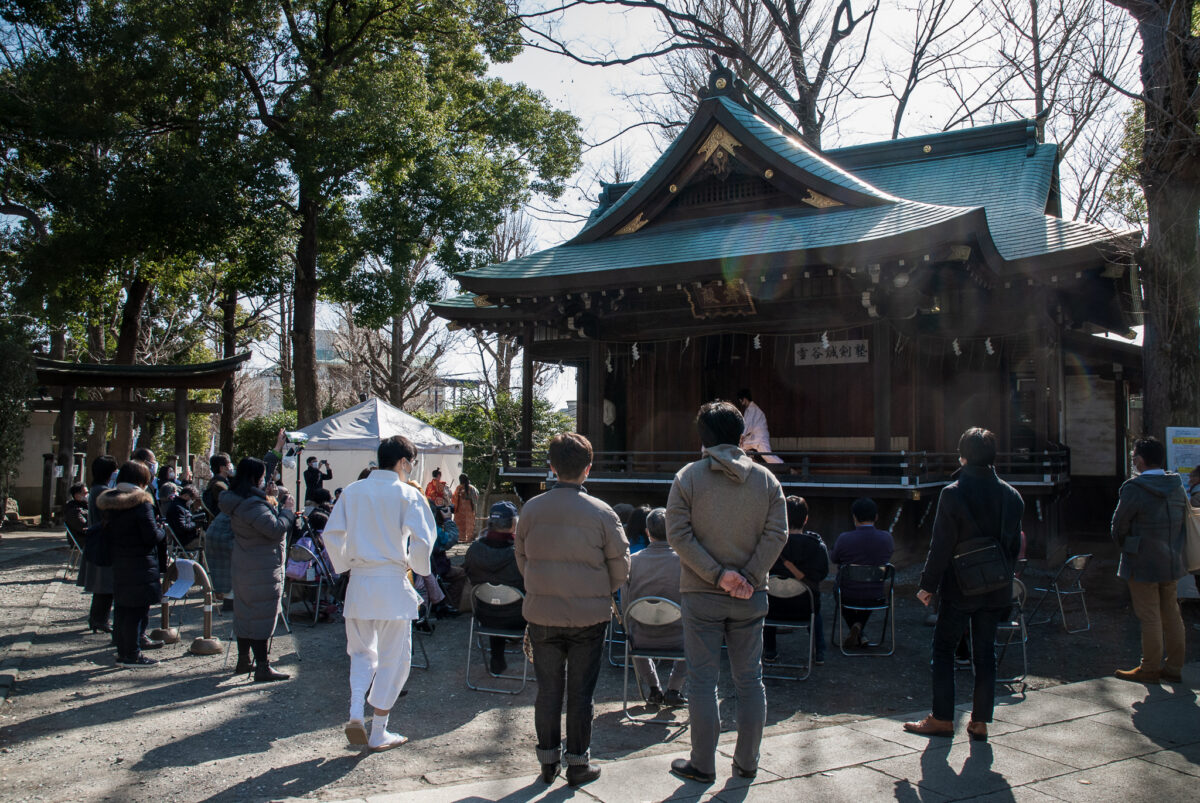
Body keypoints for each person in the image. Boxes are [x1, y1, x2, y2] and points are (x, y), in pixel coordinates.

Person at [665, 401, 787, 784]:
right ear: (740, 436)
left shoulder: (688, 477)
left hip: (701, 593)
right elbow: (777, 534)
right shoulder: (767, 481)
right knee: (750, 680)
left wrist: (718, 575)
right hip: (751, 596)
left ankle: (703, 763)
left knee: (702, 680)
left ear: (702, 439)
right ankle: (747, 762)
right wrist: (748, 576)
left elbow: (678, 535)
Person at [516, 433, 629, 787]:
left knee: (548, 690)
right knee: (581, 692)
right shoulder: (602, 512)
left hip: (541, 612)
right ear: (588, 469)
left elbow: (522, 558)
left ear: (551, 467)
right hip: (589, 616)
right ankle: (578, 762)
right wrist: (598, 590)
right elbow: (621, 566)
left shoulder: (531, 509)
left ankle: (547, 761)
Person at [904, 428, 1024, 740]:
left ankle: (943, 717)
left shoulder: (953, 492)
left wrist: (927, 584)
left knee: (944, 649)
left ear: (963, 456)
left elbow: (941, 544)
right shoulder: (1012, 496)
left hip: (960, 584)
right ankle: (980, 720)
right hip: (996, 585)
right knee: (985, 652)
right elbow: (1013, 548)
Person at [323, 434, 437, 752]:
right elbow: (424, 541)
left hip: (359, 584)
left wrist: (346, 563)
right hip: (392, 583)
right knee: (395, 659)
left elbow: (332, 534)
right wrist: (419, 567)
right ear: (403, 462)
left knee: (361, 654)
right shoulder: (407, 495)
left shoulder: (352, 491)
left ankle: (355, 713)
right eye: (411, 463)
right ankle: (379, 731)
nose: (411, 469)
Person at [1110, 436, 1189, 684]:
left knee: (1149, 615)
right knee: (1172, 613)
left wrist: (1124, 545)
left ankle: (1150, 666)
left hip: (1142, 559)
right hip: (1172, 557)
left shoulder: (1134, 488)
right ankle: (1175, 666)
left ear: (1140, 460)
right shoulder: (1176, 485)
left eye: (1134, 456)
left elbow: (1119, 525)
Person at [220, 430, 296, 682]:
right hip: (262, 566)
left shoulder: (238, 498)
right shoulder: (252, 505)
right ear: (255, 479)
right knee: (263, 615)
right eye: (264, 477)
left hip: (244, 563)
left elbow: (262, 469)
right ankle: (262, 666)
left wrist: (277, 447)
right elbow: (274, 530)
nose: (267, 479)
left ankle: (244, 661)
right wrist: (287, 512)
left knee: (244, 614)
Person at [99, 460, 166, 666]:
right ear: (141, 479)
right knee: (137, 610)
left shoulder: (111, 501)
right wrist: (162, 531)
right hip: (140, 563)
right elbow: (150, 536)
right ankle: (132, 653)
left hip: (120, 559)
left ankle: (123, 649)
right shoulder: (141, 502)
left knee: (122, 608)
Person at [623, 507, 687, 706]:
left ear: (647, 532)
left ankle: (653, 688)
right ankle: (674, 688)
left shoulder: (632, 562)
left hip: (642, 637)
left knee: (631, 630)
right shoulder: (685, 563)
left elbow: (626, 608)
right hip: (679, 638)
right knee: (699, 637)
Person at [764, 496, 829, 665]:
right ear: (806, 519)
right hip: (805, 608)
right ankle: (819, 650)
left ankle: (769, 651)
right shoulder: (816, 545)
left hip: (774, 608)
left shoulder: (771, 543)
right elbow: (822, 574)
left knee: (767, 597)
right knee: (815, 603)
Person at [464, 501, 524, 675]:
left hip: (485, 615)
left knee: (494, 601)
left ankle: (497, 658)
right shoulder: (520, 553)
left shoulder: (474, 550)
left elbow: (467, 574)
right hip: (519, 618)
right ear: (514, 524)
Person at [830, 497, 895, 649]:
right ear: (876, 517)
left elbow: (834, 558)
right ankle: (860, 629)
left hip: (848, 593)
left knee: (838, 592)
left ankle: (856, 626)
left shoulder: (844, 538)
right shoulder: (887, 538)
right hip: (876, 595)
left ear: (854, 517)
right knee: (869, 592)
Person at [78, 455, 118, 634]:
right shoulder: (103, 492)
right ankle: (99, 620)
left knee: (102, 586)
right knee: (105, 585)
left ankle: (97, 619)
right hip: (104, 541)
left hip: (96, 539)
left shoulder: (95, 489)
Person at [735, 389, 783, 464]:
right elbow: (747, 425)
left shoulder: (753, 409)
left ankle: (787, 469)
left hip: (760, 437)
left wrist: (742, 436)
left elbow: (748, 425)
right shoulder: (748, 410)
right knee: (741, 447)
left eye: (741, 400)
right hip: (753, 437)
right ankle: (752, 464)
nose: (740, 402)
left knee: (768, 456)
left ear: (744, 399)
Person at [163, 484, 200, 549]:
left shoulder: (182, 505)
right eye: (192, 499)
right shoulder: (178, 507)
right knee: (208, 541)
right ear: (185, 495)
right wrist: (195, 524)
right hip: (184, 541)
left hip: (187, 538)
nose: (192, 501)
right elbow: (182, 528)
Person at [452, 473, 479, 542]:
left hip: (459, 509)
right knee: (469, 523)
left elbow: (454, 498)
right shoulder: (472, 488)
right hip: (469, 509)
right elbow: (476, 498)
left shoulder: (458, 488)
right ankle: (469, 538)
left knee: (460, 524)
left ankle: (460, 537)